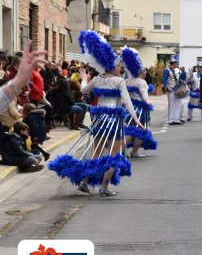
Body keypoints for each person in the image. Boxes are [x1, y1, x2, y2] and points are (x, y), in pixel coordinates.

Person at [49, 31, 144, 197]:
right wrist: (135, 118)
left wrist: (85, 78)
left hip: (99, 118)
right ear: (113, 66)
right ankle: (104, 187)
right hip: (113, 119)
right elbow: (127, 102)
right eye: (119, 66)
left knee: (96, 152)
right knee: (115, 155)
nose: (121, 68)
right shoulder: (118, 81)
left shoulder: (97, 79)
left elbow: (84, 90)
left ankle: (85, 183)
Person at [123, 47, 157, 158]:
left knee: (129, 129)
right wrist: (147, 100)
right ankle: (134, 151)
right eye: (144, 71)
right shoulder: (141, 82)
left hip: (128, 107)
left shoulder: (127, 81)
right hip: (140, 109)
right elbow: (144, 93)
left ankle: (122, 151)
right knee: (141, 130)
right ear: (140, 72)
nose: (146, 73)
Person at [0, 42, 47, 113]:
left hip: (24, 96)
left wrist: (28, 90)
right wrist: (20, 91)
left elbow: (26, 82)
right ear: (16, 64)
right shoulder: (11, 72)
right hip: (18, 97)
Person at [161, 55, 184, 125]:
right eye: (176, 63)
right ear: (173, 63)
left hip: (177, 89)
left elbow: (178, 79)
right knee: (171, 105)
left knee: (178, 104)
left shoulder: (178, 70)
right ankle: (170, 120)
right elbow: (163, 79)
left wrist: (182, 82)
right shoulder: (167, 70)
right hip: (170, 89)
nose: (177, 64)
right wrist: (167, 87)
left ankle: (176, 119)